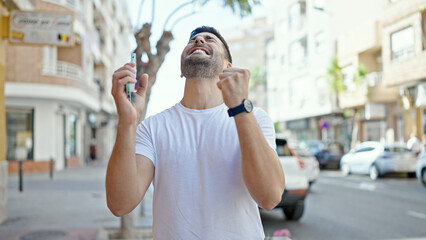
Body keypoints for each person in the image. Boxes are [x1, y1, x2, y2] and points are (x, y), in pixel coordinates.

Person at [105, 26, 285, 239]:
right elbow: (120, 204)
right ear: (181, 69)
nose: (198, 40)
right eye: (192, 41)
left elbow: (270, 197)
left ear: (228, 66)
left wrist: (239, 107)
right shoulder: (152, 127)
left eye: (209, 39)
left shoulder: (254, 118)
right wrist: (126, 123)